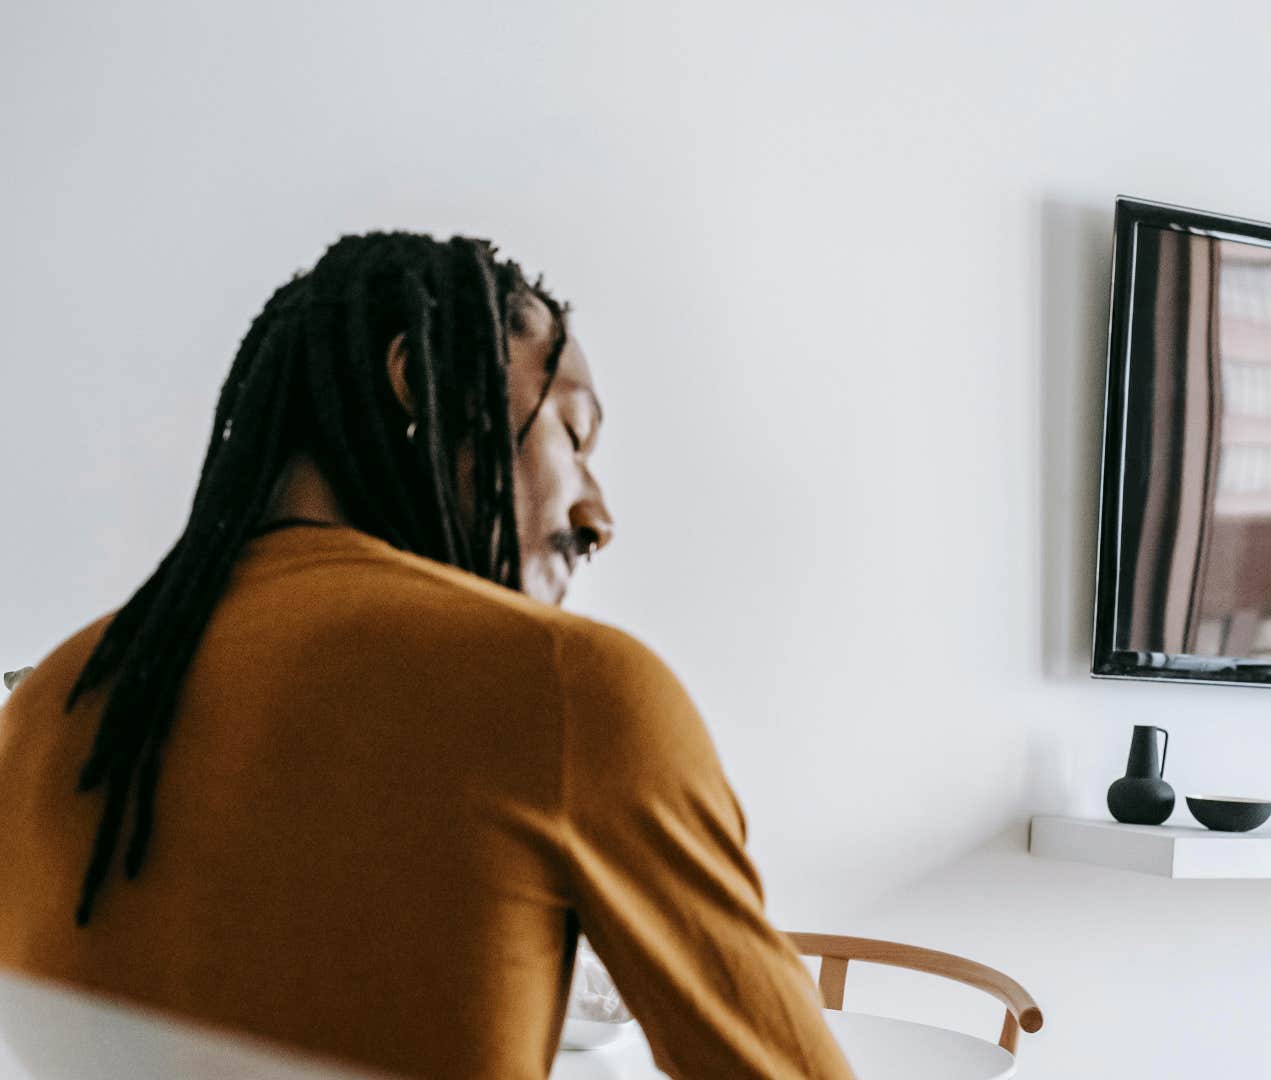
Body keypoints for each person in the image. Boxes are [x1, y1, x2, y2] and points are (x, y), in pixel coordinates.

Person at [0, 233, 854, 1080]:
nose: (599, 519)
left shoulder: (44, 712)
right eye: (573, 434)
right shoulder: (565, 688)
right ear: (423, 382)